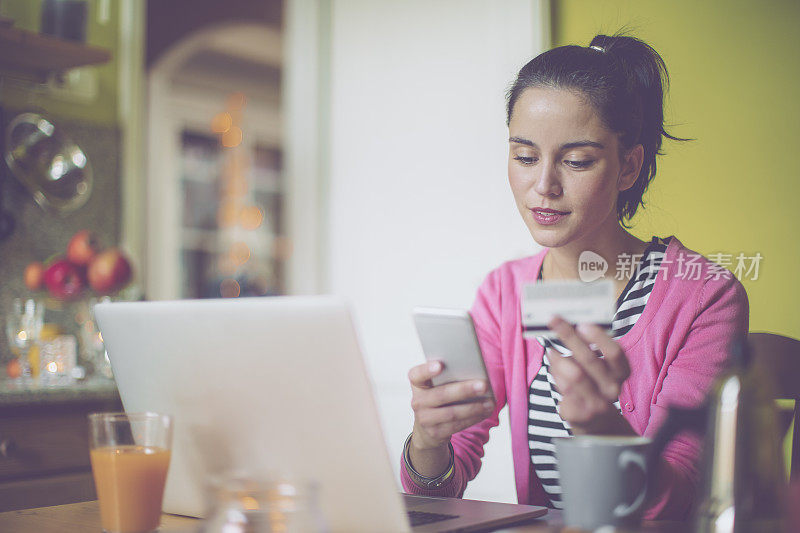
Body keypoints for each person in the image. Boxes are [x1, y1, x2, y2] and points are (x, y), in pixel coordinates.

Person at [400, 34, 749, 520]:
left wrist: (603, 428)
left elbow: (681, 502)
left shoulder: (705, 296)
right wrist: (428, 438)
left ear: (629, 166)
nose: (543, 186)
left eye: (577, 160)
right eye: (524, 157)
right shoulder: (505, 292)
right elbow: (443, 485)